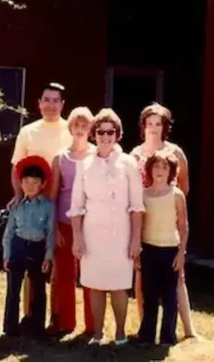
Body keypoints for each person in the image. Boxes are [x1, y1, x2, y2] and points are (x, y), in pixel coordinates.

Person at [68, 109, 144, 346]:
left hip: (120, 233)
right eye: (100, 132)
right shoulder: (85, 164)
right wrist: (77, 238)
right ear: (94, 134)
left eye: (110, 132)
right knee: (96, 285)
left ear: (117, 134)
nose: (105, 136)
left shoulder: (129, 163)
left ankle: (120, 332)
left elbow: (136, 205)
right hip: (93, 233)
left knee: (119, 285)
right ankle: (98, 333)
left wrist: (135, 239)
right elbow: (77, 205)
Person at [130, 103, 196, 338]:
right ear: (143, 126)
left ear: (165, 127)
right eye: (149, 124)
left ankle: (188, 330)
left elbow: (184, 187)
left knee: (176, 281)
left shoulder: (175, 152)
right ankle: (144, 328)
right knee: (142, 278)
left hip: (168, 229)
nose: (154, 129)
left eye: (158, 124)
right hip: (144, 227)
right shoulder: (135, 154)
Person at [9, 82, 71, 319]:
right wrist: (18, 196)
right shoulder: (28, 131)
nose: (51, 105)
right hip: (32, 204)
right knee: (29, 261)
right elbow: (16, 167)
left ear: (63, 104)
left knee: (57, 262)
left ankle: (57, 318)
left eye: (56, 101)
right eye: (47, 99)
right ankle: (29, 315)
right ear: (39, 103)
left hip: (62, 203)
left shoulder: (70, 130)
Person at [47, 106, 96, 335]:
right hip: (64, 223)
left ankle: (93, 326)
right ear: (71, 127)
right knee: (66, 274)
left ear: (91, 129)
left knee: (91, 275)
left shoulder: (97, 155)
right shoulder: (60, 157)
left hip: (93, 224)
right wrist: (54, 227)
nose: (80, 129)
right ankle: (65, 323)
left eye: (85, 125)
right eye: (76, 125)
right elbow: (53, 195)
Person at [135, 149, 188, 345]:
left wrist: (181, 253)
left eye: (165, 167)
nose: (160, 170)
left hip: (170, 250)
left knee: (169, 296)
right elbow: (139, 225)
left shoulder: (176, 195)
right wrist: (138, 252)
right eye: (156, 166)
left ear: (171, 171)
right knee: (149, 295)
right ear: (149, 170)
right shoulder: (144, 194)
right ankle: (147, 335)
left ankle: (168, 336)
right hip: (149, 249)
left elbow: (183, 225)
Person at [2, 156, 55, 337]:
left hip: (37, 248)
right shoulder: (17, 206)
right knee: (13, 288)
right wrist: (7, 255)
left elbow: (50, 233)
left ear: (42, 184)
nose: (30, 185)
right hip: (18, 247)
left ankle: (37, 326)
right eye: (26, 182)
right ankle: (10, 327)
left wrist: (48, 256)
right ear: (21, 183)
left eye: (35, 182)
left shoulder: (48, 207)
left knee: (39, 288)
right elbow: (9, 233)